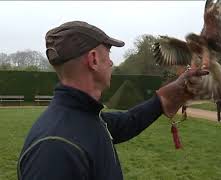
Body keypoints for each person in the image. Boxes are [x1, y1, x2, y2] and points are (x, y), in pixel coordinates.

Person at [17, 21, 209, 180]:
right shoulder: (54, 149)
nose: (111, 62)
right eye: (108, 53)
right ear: (93, 59)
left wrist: (170, 93)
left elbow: (128, 122)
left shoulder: (83, 117)